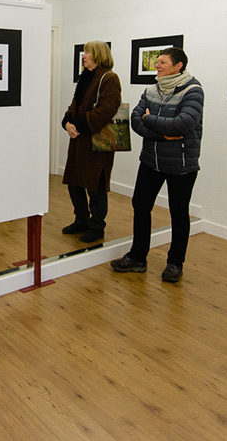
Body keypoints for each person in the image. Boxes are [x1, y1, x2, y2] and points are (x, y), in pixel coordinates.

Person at [111, 47, 203, 283]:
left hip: (181, 165)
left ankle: (175, 264)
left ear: (178, 65)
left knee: (178, 214)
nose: (157, 66)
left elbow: (182, 125)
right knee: (141, 206)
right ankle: (137, 257)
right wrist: (161, 134)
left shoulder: (193, 91)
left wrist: (149, 119)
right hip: (151, 161)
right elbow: (135, 121)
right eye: (157, 62)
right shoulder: (151, 89)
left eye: (162, 62)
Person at [61, 40, 121, 243]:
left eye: (87, 52)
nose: (83, 55)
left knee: (95, 185)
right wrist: (68, 122)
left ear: (98, 54)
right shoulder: (85, 77)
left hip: (96, 142)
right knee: (75, 183)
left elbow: (106, 110)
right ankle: (81, 220)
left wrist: (77, 124)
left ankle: (97, 226)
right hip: (79, 139)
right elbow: (74, 104)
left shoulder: (109, 78)